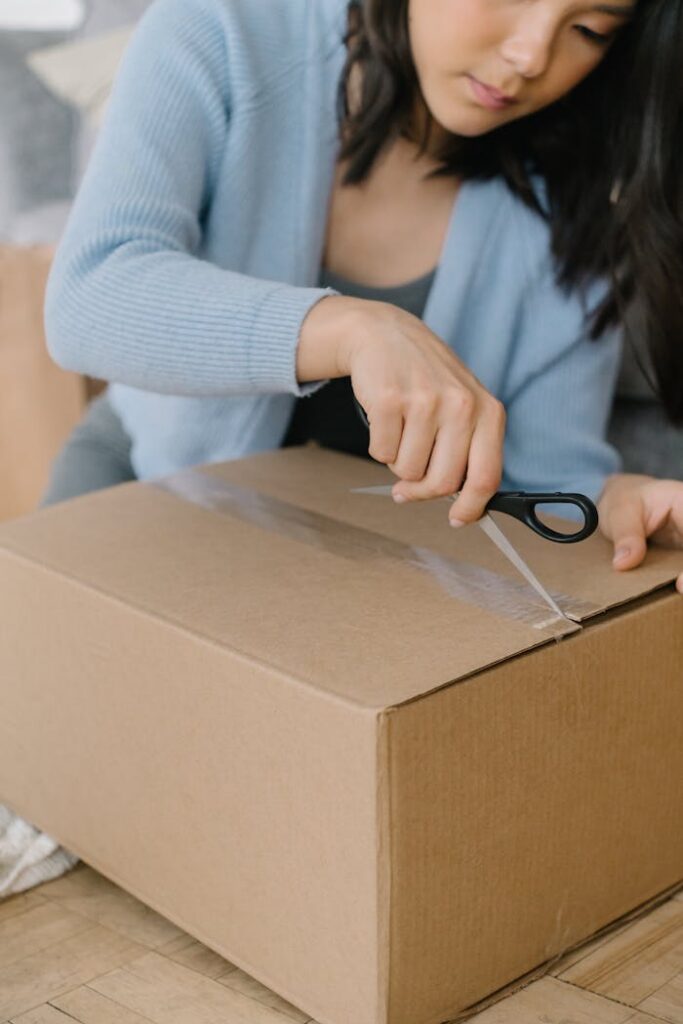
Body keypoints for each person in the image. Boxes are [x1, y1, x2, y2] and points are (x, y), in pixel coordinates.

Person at [2, 0, 682, 896]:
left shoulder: (569, 187)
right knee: (55, 787)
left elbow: (537, 479)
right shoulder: (226, 32)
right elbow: (89, 298)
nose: (528, 55)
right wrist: (347, 327)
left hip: (351, 600)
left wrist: (616, 501)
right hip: (144, 493)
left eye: (588, 28)